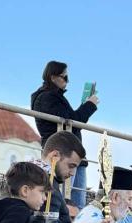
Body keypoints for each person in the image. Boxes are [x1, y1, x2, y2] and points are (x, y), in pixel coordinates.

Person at [31, 61, 99, 208]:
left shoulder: (52, 97)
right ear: (53, 77)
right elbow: (72, 121)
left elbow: (71, 120)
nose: (67, 81)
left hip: (72, 154)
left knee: (76, 205)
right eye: (65, 77)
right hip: (63, 155)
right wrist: (89, 105)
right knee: (65, 203)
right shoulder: (46, 97)